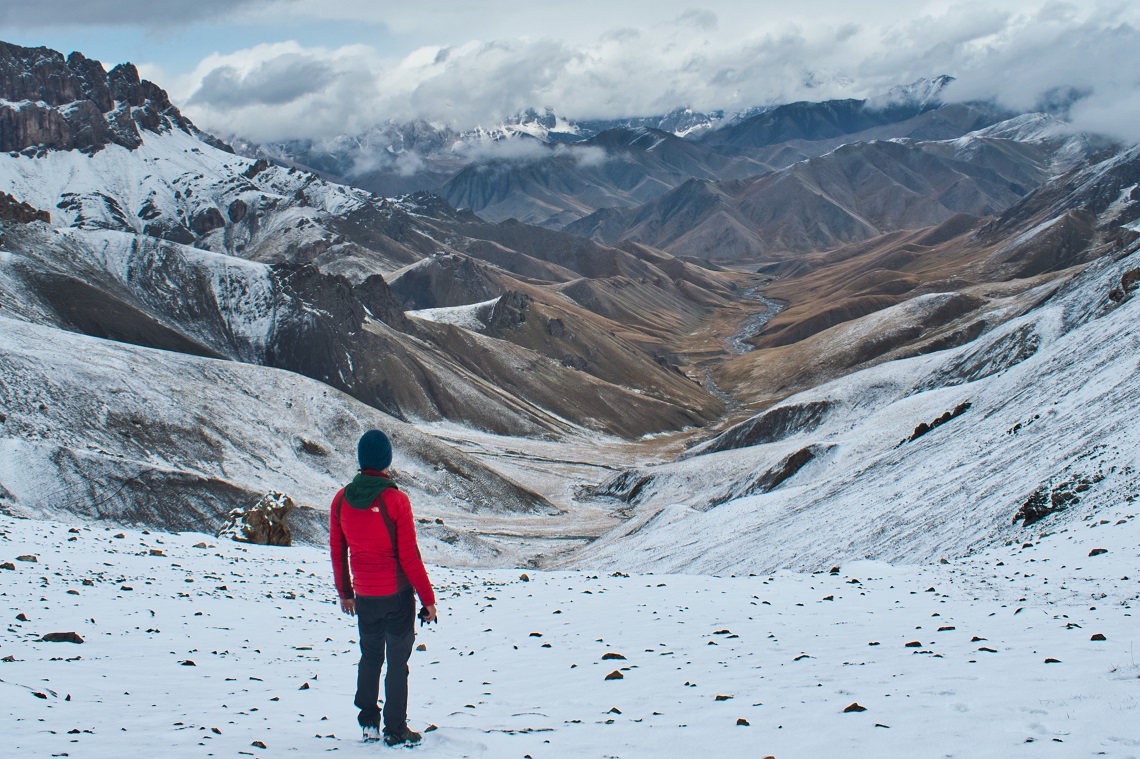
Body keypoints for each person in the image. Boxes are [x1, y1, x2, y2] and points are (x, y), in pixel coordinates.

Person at [330, 429, 438, 745]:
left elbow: (338, 551)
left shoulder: (340, 500)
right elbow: (409, 556)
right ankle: (395, 728)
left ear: (362, 461)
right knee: (397, 665)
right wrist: (427, 600)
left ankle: (368, 722)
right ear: (386, 461)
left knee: (370, 658)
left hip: (365, 597)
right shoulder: (396, 500)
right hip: (398, 597)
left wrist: (345, 593)